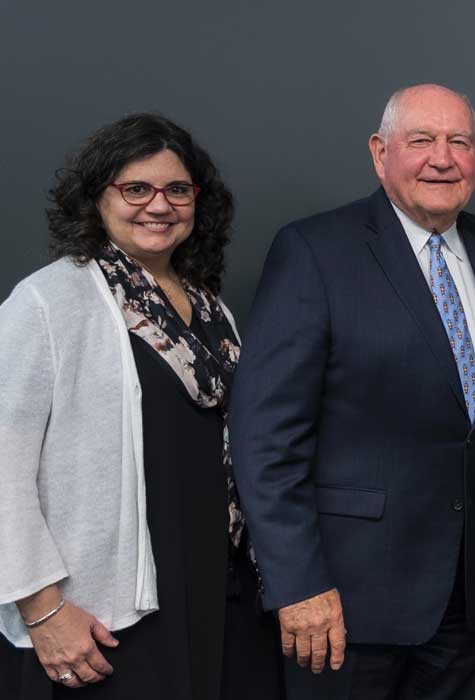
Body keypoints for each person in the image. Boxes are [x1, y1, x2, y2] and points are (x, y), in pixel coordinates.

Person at [228, 84, 475, 700]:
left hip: (471, 594)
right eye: (421, 140)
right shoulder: (315, 251)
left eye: (458, 142)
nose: (442, 157)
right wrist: (295, 583)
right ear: (380, 153)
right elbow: (264, 438)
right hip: (344, 603)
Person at [0, 114, 280, 699]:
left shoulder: (210, 310)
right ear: (96, 197)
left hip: (218, 587)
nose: (160, 205)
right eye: (136, 188)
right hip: (104, 612)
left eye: (178, 189)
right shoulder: (50, 301)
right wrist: (43, 610)